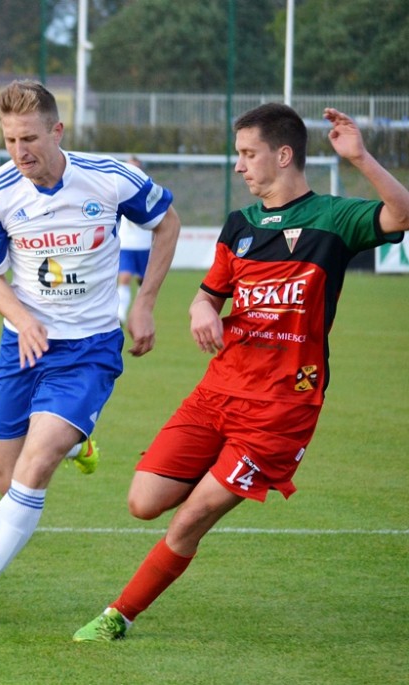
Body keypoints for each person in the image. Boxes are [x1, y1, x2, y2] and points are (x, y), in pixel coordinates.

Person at [72, 104, 408, 642]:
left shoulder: (333, 219)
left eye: (249, 154)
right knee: (143, 502)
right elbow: (208, 295)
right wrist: (200, 310)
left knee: (190, 518)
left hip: (280, 410)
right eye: (238, 154)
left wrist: (361, 158)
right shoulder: (240, 225)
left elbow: (402, 215)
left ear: (283, 155)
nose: (239, 165)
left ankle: (119, 616)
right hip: (217, 392)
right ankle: (218, 476)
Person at [0, 80, 181, 630]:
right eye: (9, 140)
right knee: (7, 479)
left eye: (29, 138)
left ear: (57, 131)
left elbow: (167, 222)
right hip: (22, 346)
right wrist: (23, 320)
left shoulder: (109, 178)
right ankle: (76, 441)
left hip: (89, 348)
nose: (19, 151)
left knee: (34, 465)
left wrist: (144, 302)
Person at [116, 156, 152, 325]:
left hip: (145, 245)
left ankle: (139, 314)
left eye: (136, 167)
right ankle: (121, 315)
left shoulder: (149, 191)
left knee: (143, 282)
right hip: (126, 245)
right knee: (124, 277)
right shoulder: (117, 190)